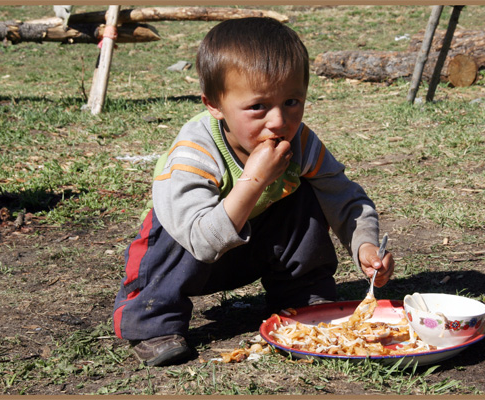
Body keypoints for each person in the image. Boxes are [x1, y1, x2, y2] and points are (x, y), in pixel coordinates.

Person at [112, 17, 395, 367]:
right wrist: (255, 178)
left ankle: (301, 300)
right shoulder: (194, 154)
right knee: (169, 229)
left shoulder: (301, 143)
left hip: (249, 250)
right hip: (188, 256)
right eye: (258, 106)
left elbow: (344, 197)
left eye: (292, 101)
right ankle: (151, 322)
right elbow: (200, 240)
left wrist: (365, 244)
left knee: (307, 194)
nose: (278, 121)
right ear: (214, 105)